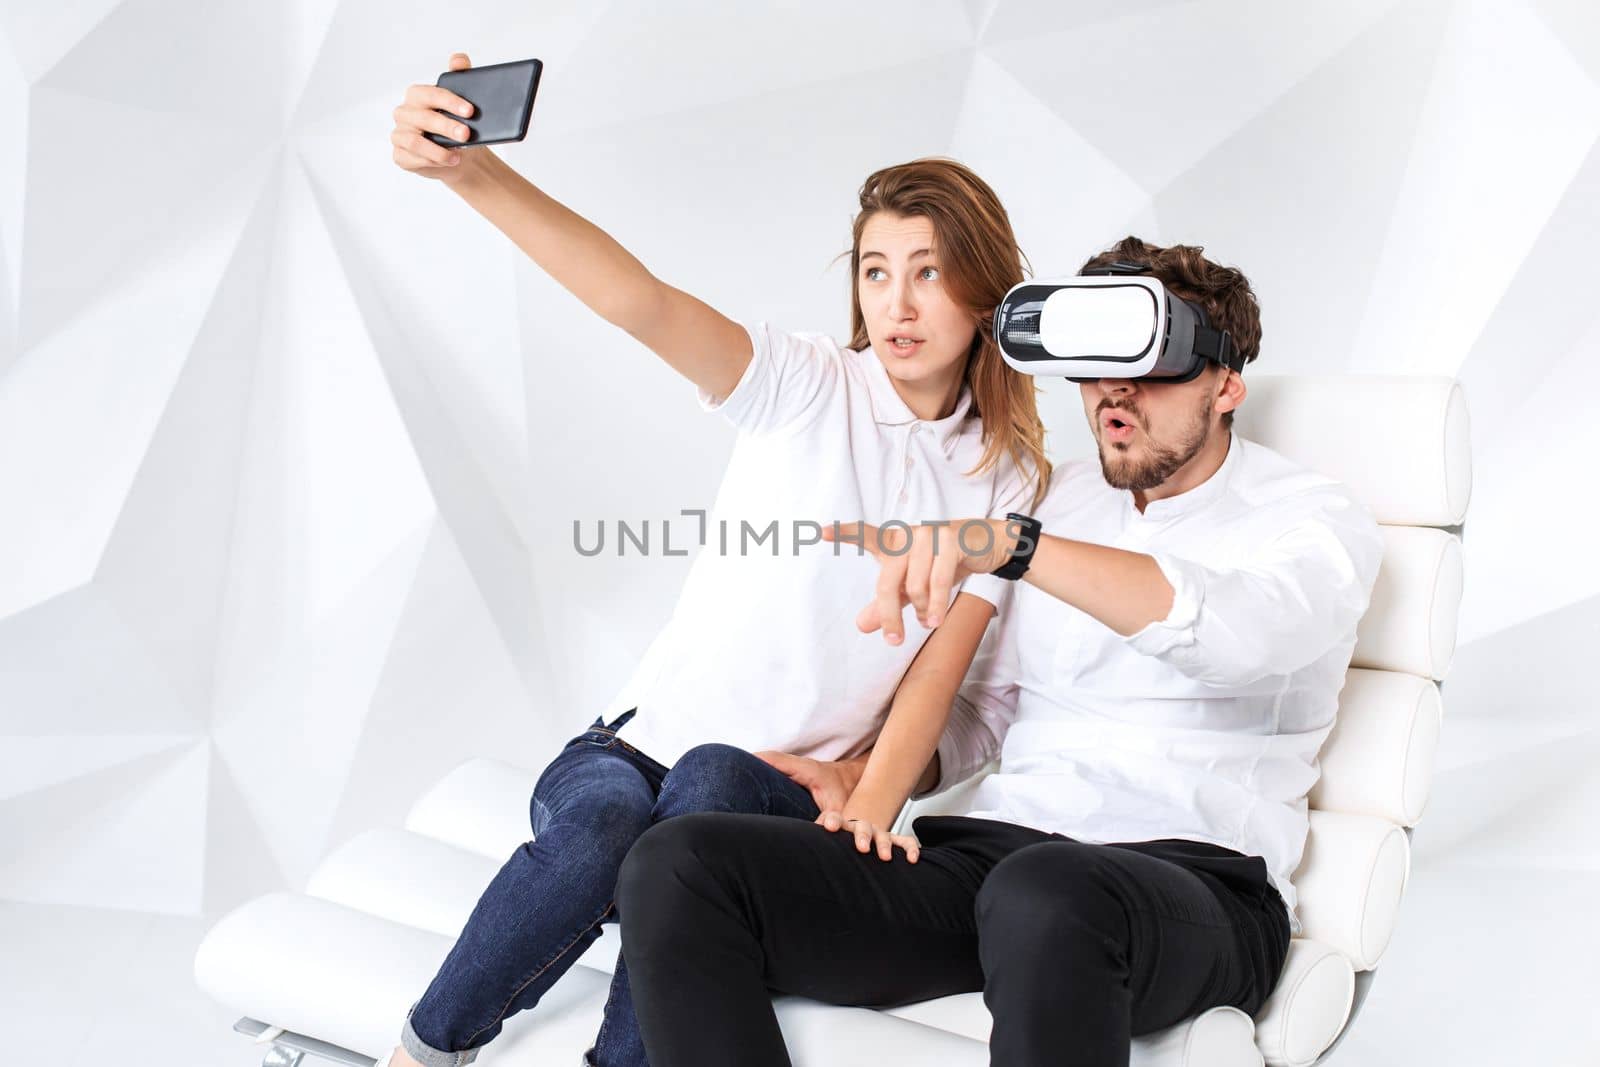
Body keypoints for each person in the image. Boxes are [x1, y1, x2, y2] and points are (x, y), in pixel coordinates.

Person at [382, 53, 1049, 1067]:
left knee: (704, 790)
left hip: (769, 793)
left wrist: (864, 785)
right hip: (623, 751)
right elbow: (635, 301)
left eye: (928, 270)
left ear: (983, 290)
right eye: (876, 271)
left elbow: (942, 677)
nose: (897, 302)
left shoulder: (1007, 483)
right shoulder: (807, 385)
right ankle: (423, 1050)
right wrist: (473, 174)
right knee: (608, 824)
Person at [615, 236, 1387, 1067]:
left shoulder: (1312, 521)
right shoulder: (1056, 497)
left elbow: (1239, 636)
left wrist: (1016, 546)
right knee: (679, 861)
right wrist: (873, 774)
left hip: (1197, 881)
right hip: (996, 858)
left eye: (1153, 363)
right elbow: (982, 713)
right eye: (1097, 363)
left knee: (1046, 891)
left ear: (1228, 381)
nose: (1116, 390)